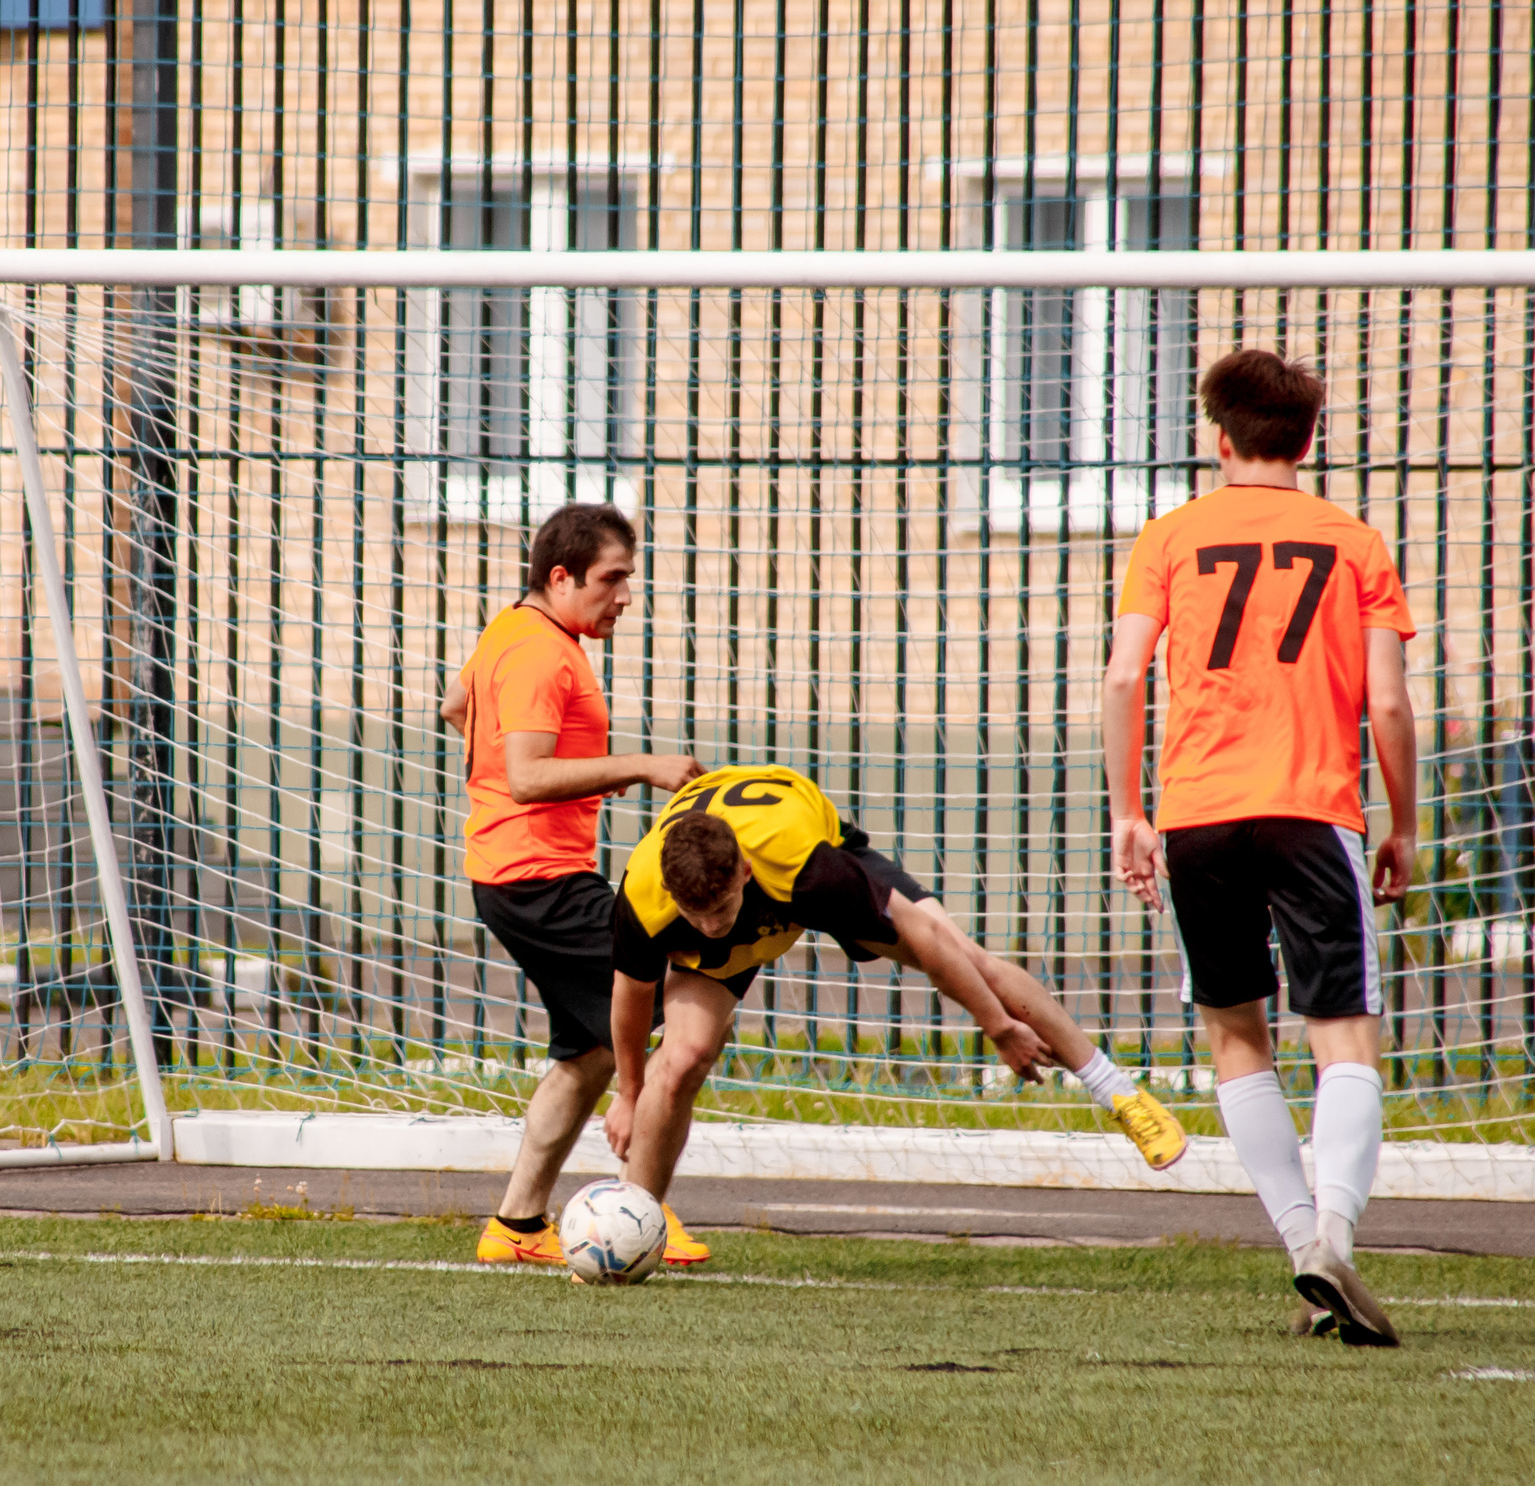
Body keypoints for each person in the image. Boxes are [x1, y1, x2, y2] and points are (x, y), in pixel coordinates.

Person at [1099, 349, 1419, 1348]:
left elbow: (1123, 677)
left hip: (1197, 813)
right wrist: (1405, 823)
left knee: (1237, 1037)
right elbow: (1389, 701)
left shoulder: (1170, 536)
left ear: (1218, 437)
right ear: (1308, 440)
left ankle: (1301, 1252)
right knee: (1345, 1036)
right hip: (1310, 809)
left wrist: (1128, 812)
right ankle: (1334, 1238)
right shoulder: (1353, 541)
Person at [601, 765, 1189, 1199]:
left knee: (970, 959)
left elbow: (928, 941)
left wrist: (996, 1025)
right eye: (697, 916)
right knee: (681, 1058)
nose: (711, 926)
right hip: (739, 887)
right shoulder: (645, 897)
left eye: (722, 909)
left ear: (745, 874)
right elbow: (630, 998)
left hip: (795, 865)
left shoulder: (813, 872)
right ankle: (638, 1219)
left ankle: (1120, 1093)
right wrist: (627, 1095)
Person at [442, 502, 710, 1267]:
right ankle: (640, 1207)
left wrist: (553, 773)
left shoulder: (514, 628)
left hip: (515, 873)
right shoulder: (541, 653)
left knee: (589, 1049)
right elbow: (526, 776)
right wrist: (642, 766)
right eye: (611, 578)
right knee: (673, 995)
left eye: (629, 578)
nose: (625, 595)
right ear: (561, 577)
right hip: (539, 878)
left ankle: (516, 1224)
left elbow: (456, 706)